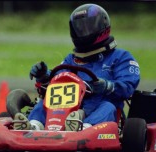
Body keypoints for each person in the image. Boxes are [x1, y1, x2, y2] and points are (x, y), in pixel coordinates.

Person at [14, 3, 140, 131]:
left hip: (99, 111)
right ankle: (33, 126)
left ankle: (86, 129)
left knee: (108, 107)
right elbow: (58, 80)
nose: (83, 32)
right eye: (79, 28)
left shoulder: (121, 57)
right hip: (67, 112)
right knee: (43, 104)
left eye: (87, 28)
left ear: (102, 26)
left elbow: (128, 86)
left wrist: (108, 86)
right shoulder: (71, 59)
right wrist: (44, 76)